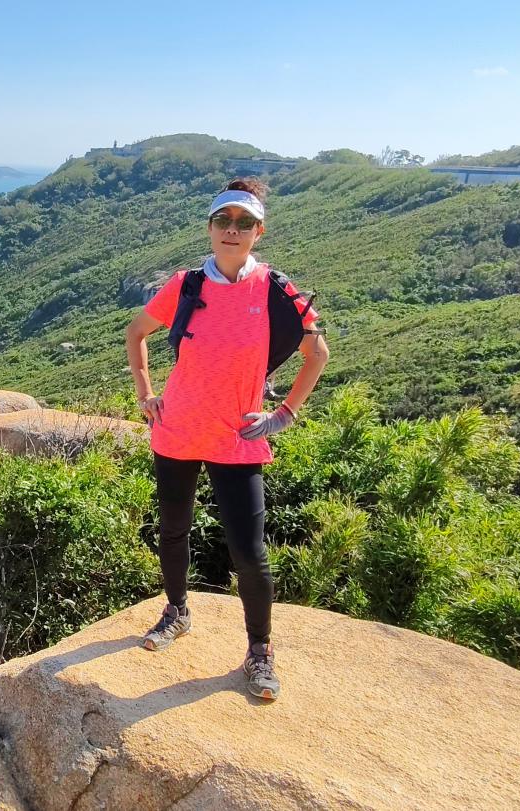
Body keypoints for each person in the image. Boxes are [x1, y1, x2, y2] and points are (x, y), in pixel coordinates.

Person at [122, 178, 329, 701]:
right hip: (178, 429)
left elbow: (317, 355)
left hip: (237, 437)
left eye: (243, 223)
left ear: (259, 231)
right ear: (210, 227)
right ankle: (176, 612)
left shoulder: (276, 289)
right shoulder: (187, 284)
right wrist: (147, 394)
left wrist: (283, 415)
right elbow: (136, 332)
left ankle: (259, 651)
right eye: (223, 221)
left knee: (248, 551)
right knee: (174, 530)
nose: (231, 230)